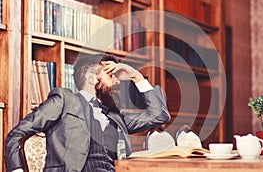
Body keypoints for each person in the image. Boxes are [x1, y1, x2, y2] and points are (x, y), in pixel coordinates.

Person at [5, 53, 170, 172]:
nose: (118, 81)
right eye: (111, 75)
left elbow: (159, 115)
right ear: (92, 79)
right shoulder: (65, 100)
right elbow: (17, 134)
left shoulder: (115, 116)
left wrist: (136, 76)